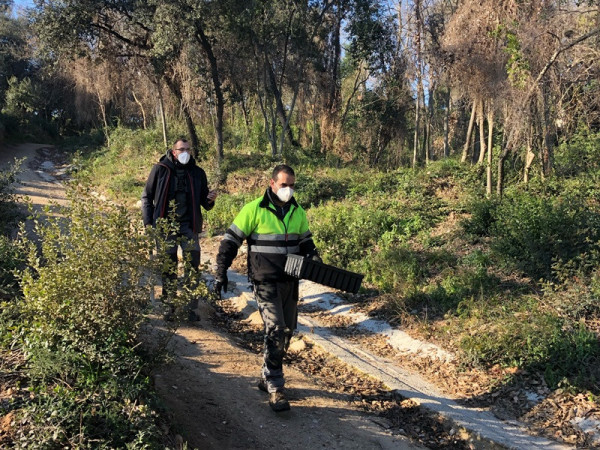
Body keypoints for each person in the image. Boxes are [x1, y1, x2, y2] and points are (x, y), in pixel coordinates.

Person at [214, 164, 320, 412]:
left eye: (292, 185)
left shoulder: (297, 211)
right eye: (284, 185)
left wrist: (314, 258)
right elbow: (230, 241)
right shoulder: (253, 210)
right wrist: (221, 272)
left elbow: (306, 242)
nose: (289, 190)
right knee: (275, 329)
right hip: (264, 281)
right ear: (272, 184)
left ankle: (266, 376)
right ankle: (275, 387)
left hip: (290, 282)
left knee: (287, 333)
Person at [142, 137, 218, 321]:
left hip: (189, 226)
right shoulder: (160, 169)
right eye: (181, 149)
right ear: (173, 151)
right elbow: (147, 198)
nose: (185, 152)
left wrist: (210, 199)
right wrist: (149, 224)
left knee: (193, 265)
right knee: (168, 267)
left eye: (188, 149)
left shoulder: (197, 172)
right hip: (165, 226)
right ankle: (169, 307)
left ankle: (190, 309)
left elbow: (204, 202)